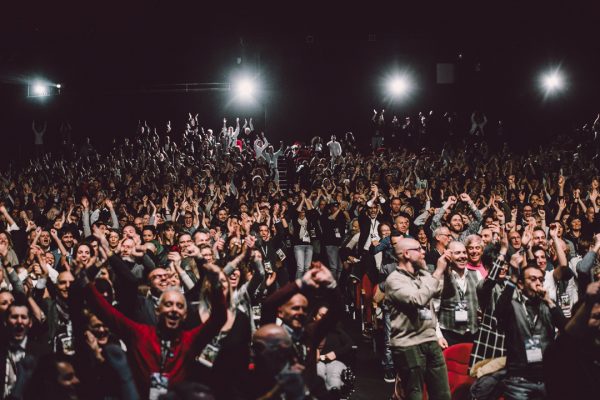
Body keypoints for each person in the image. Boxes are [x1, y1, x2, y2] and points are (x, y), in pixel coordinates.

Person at [77, 260, 227, 398]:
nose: (174, 309)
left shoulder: (189, 340)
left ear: (185, 315)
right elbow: (106, 312)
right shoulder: (138, 333)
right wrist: (84, 280)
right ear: (157, 310)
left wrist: (216, 284)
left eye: (179, 306)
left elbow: (218, 319)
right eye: (168, 304)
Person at [385, 237, 451, 400]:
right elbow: (417, 299)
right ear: (406, 254)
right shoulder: (394, 280)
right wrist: (438, 271)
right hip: (408, 345)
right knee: (415, 395)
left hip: (430, 341)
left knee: (443, 395)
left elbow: (441, 293)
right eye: (419, 249)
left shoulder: (422, 274)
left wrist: (445, 271)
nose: (423, 252)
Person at [495, 258, 567, 399]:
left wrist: (549, 301)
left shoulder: (548, 305)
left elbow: (566, 328)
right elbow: (499, 311)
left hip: (547, 378)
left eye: (540, 279)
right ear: (521, 284)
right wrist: (514, 277)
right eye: (533, 279)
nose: (538, 283)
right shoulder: (513, 306)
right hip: (518, 381)